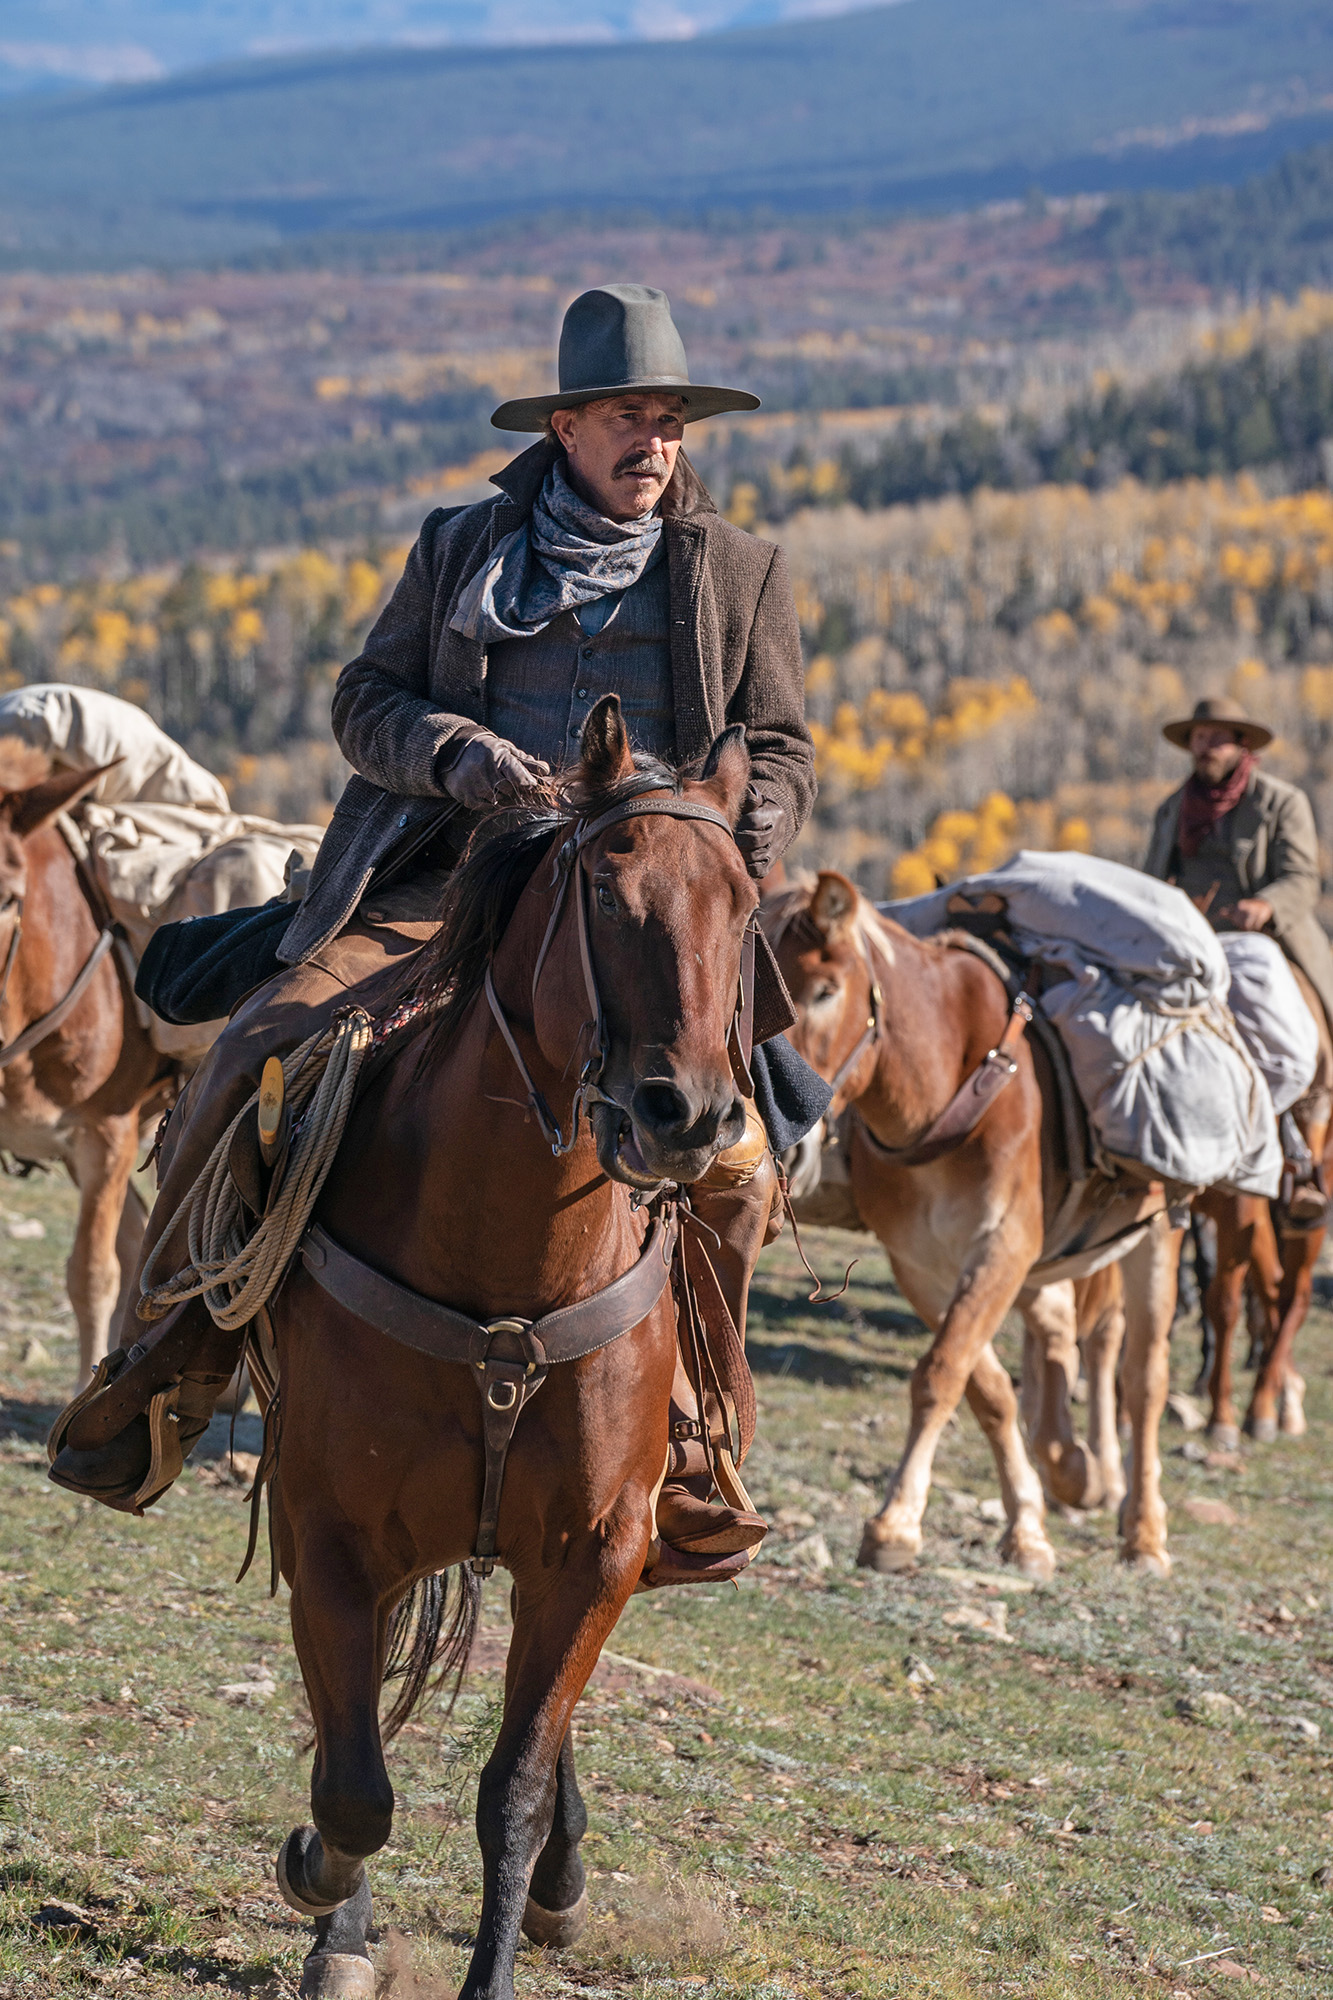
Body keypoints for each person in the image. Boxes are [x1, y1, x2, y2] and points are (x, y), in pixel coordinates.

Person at [49, 284, 818, 1579]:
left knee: (740, 1156)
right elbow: (366, 701)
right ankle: (166, 1357)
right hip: (443, 888)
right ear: (565, 425)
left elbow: (782, 744)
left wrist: (726, 846)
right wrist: (457, 754)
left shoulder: (738, 573)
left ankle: (696, 1438)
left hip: (646, 917)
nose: (657, 440)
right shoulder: (463, 547)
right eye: (631, 416)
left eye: (672, 419)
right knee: (256, 1052)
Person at [1145, 693, 1333, 1221]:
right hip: (1189, 945)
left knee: (1311, 1040)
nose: (1203, 747)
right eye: (1197, 739)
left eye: (1215, 738)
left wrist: (1264, 906)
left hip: (1268, 939)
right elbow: (1154, 879)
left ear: (1241, 743)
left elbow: (1302, 878)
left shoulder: (1280, 802)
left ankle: (1306, 1165)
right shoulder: (1171, 809)